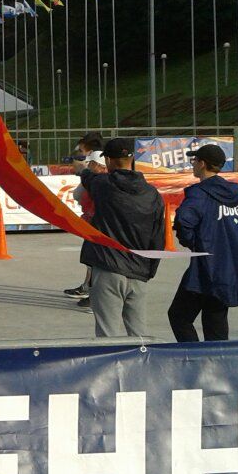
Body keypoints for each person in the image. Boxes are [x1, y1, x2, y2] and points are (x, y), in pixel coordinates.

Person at [168, 143, 238, 342]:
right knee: (215, 320)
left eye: (194, 160)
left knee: (179, 316)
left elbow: (183, 221)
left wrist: (197, 243)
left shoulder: (199, 194)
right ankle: (217, 358)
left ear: (202, 164)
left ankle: (196, 356)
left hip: (205, 269)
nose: (193, 164)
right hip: (227, 271)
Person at [76, 138, 164, 337]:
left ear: (107, 160)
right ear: (132, 159)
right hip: (139, 270)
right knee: (139, 335)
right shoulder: (152, 193)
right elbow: (158, 236)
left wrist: (85, 169)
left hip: (109, 267)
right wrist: (149, 270)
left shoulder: (104, 185)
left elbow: (88, 179)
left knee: (108, 335)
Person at [63, 132, 105, 303]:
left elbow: (79, 195)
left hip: (97, 220)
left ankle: (93, 292)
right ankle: (88, 287)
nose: (80, 155)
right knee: (92, 257)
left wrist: (83, 171)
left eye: (81, 151)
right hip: (93, 218)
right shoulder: (94, 172)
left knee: (96, 257)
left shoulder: (96, 174)